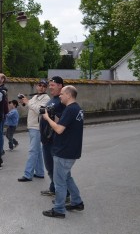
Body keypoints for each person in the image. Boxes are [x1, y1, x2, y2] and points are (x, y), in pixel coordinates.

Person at [42, 85, 85, 219]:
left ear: (68, 95)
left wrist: (47, 119)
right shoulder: (76, 109)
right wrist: (53, 116)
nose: (59, 96)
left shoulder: (70, 110)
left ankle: (59, 209)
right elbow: (64, 124)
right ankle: (77, 202)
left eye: (61, 94)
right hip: (71, 151)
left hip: (64, 151)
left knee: (59, 181)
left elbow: (59, 130)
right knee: (66, 177)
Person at [18, 79, 50, 181]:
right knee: (37, 151)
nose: (41, 87)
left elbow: (40, 110)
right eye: (40, 85)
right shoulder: (35, 96)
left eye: (44, 86)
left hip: (37, 127)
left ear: (46, 88)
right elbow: (29, 106)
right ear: (37, 86)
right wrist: (23, 101)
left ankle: (28, 174)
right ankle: (40, 172)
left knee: (33, 151)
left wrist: (28, 102)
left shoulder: (46, 98)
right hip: (32, 126)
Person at [40, 76, 66, 197]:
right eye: (49, 85)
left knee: (56, 169)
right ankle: (53, 188)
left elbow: (62, 120)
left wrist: (52, 116)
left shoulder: (62, 100)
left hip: (54, 140)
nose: (49, 87)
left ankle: (65, 194)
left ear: (60, 85)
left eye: (52, 85)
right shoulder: (53, 99)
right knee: (49, 167)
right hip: (46, 139)